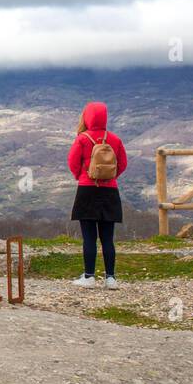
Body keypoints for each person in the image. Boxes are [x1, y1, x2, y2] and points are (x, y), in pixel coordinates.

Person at [67, 101, 127, 289]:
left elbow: (72, 162)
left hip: (87, 190)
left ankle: (89, 277)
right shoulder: (115, 139)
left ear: (87, 116)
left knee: (89, 237)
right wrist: (111, 177)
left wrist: (81, 176)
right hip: (110, 191)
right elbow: (123, 163)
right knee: (108, 238)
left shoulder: (82, 139)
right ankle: (111, 278)